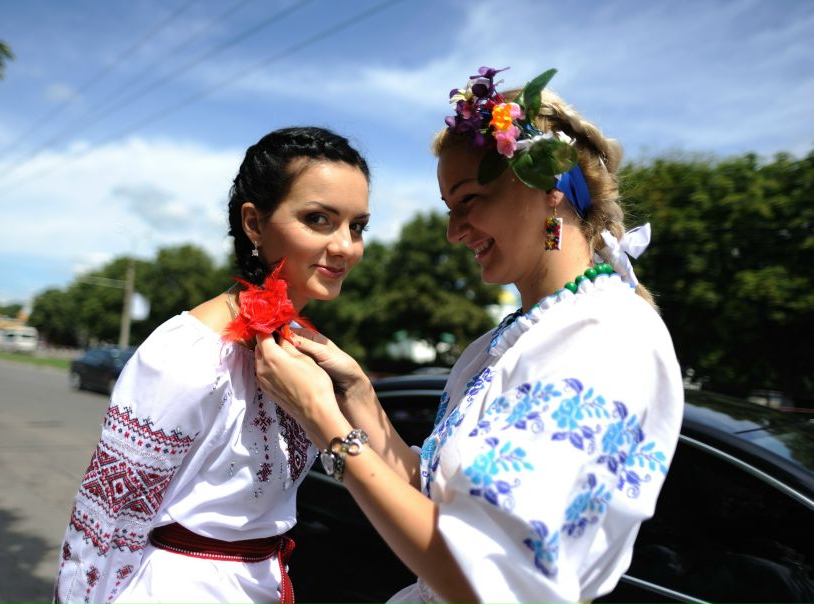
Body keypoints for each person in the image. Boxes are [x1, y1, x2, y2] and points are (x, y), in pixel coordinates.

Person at [253, 67, 684, 604]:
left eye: (470, 201)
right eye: (450, 209)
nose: (455, 232)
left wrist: (324, 425)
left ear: (548, 190)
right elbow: (432, 503)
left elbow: (487, 577)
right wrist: (358, 394)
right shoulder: (504, 342)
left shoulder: (608, 336)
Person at [53, 126, 371, 604]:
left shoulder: (307, 348)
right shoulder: (185, 352)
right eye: (318, 219)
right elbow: (107, 521)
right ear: (253, 223)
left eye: (358, 226)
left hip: (266, 580)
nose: (346, 246)